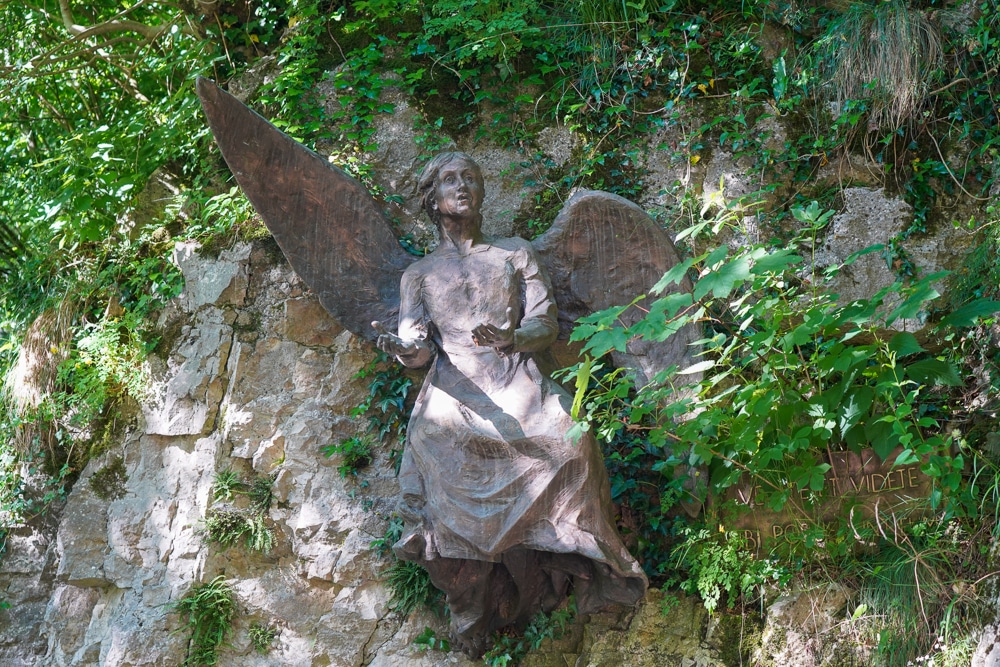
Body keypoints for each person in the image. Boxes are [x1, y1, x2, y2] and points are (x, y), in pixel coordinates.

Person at [372, 152, 647, 656]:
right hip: (454, 399)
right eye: (451, 181)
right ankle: (474, 594)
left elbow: (546, 324)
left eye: (471, 179)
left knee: (574, 442)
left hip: (517, 381)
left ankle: (584, 564)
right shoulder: (420, 274)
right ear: (432, 199)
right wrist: (403, 349)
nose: (464, 188)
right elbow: (417, 348)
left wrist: (512, 335)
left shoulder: (515, 254)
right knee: (433, 442)